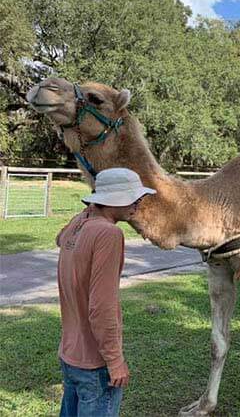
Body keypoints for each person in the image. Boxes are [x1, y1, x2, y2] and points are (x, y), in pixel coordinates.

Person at [56, 168, 156, 417]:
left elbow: (60, 238)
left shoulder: (81, 224)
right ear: (116, 199)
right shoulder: (108, 234)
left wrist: (91, 206)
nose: (138, 204)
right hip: (94, 364)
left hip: (70, 356)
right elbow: (102, 307)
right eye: (134, 198)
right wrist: (114, 360)